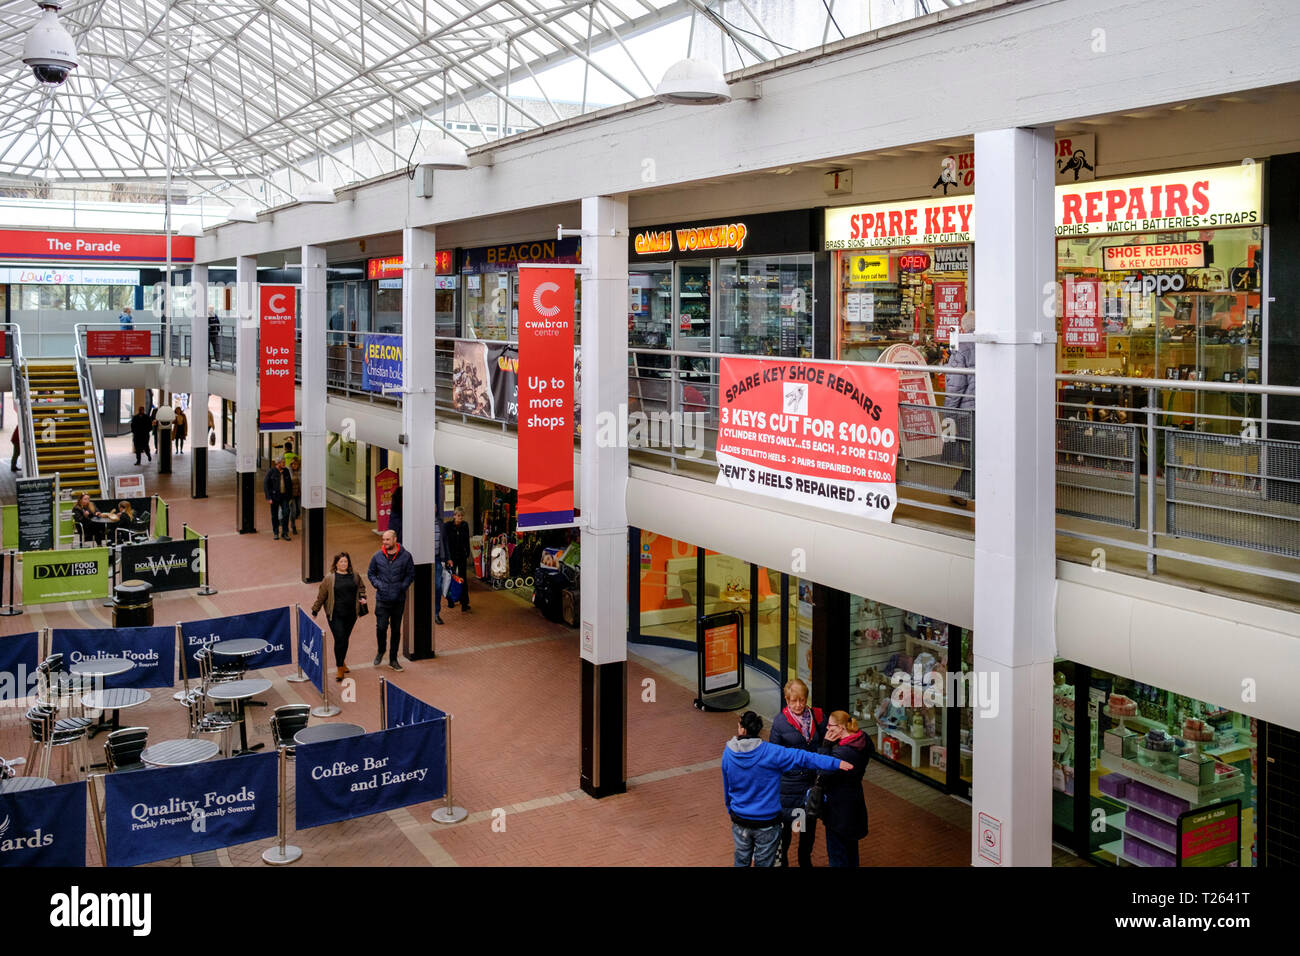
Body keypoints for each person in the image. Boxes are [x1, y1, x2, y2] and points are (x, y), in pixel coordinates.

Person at [722, 711, 850, 867]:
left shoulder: (728, 753)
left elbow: (727, 787)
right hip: (766, 822)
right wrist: (835, 763)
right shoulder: (772, 752)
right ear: (759, 730)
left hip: (740, 819)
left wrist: (731, 810)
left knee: (741, 862)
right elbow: (804, 758)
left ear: (741, 729)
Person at [769, 678, 828, 867]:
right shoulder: (780, 723)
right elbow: (775, 757)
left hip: (809, 785)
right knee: (786, 832)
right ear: (787, 700)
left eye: (802, 700)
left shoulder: (816, 717)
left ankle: (805, 861)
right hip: (789, 788)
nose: (798, 705)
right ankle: (783, 862)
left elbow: (822, 744)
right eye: (794, 700)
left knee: (806, 830)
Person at [816, 710, 873, 868]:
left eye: (830, 726)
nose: (827, 729)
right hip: (855, 805)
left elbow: (822, 770)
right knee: (851, 852)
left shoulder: (842, 753)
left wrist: (825, 746)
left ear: (841, 727)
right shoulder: (863, 740)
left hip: (838, 810)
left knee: (837, 855)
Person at [312, 551, 368, 682]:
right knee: (340, 638)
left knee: (345, 638)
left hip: (351, 614)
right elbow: (322, 595)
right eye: (341, 561)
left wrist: (363, 598)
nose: (344, 564)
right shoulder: (330, 578)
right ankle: (339, 667)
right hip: (335, 614)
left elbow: (361, 588)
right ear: (336, 563)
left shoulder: (355, 575)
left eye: (346, 561)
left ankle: (342, 661)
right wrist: (315, 609)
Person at [367, 529, 414, 671]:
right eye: (383, 540)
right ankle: (381, 650)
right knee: (381, 628)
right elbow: (371, 573)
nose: (385, 542)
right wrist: (378, 585)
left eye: (387, 539)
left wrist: (402, 587)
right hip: (382, 600)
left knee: (395, 630)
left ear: (395, 539)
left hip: (398, 600)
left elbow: (410, 574)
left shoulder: (406, 556)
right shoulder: (377, 557)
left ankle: (393, 659)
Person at [943, 310, 976, 507]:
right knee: (980, 454)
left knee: (974, 455)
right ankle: (964, 491)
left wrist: (949, 414)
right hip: (988, 407)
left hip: (968, 410)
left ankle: (961, 491)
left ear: (963, 328)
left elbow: (954, 385)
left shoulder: (961, 348)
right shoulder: (988, 343)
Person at [443, 506, 472, 612]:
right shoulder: (448, 526)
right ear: (454, 516)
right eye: (458, 516)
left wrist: (467, 552)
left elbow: (466, 540)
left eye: (461, 516)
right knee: (451, 578)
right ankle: (450, 599)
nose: (460, 518)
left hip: (461, 555)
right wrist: (447, 557)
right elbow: (445, 542)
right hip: (451, 556)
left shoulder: (465, 525)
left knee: (463, 578)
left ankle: (464, 602)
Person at [264, 457, 294, 540]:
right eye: (282, 462)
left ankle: (285, 532)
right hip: (274, 497)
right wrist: (268, 497)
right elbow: (266, 485)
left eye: (284, 462)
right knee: (274, 516)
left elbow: (290, 484)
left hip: (284, 497)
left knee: (286, 513)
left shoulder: (286, 471)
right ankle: (276, 532)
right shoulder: (271, 472)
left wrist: (290, 496)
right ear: (277, 463)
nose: (284, 464)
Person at [434, 512, 451, 625]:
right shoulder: (422, 522)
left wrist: (448, 557)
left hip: (437, 559)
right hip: (424, 561)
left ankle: (436, 613)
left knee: (438, 586)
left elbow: (445, 541)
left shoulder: (440, 523)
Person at [282, 439, 301, 534]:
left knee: (297, 510)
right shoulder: (296, 456)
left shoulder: (284, 456)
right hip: (291, 494)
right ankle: (292, 525)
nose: (295, 465)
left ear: (285, 448)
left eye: (296, 464)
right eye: (294, 464)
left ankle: (285, 519)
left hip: (298, 494)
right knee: (293, 511)